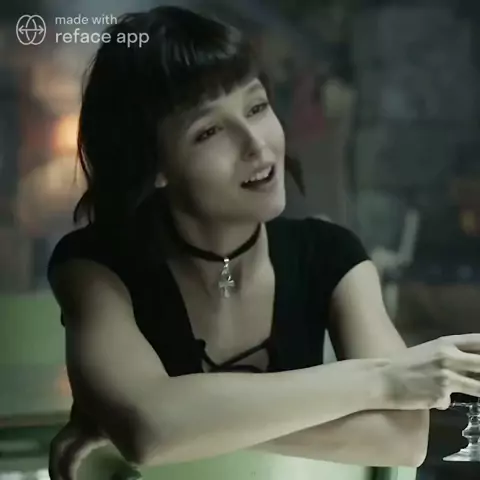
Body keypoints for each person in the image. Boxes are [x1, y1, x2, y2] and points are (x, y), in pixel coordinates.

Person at [47, 5, 480, 480]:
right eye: (209, 131)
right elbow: (149, 427)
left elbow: (403, 438)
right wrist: (386, 379)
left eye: (256, 107)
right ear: (153, 166)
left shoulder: (331, 254)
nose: (256, 144)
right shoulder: (95, 266)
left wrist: (181, 427)